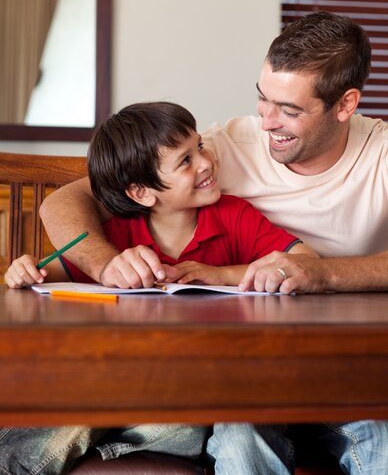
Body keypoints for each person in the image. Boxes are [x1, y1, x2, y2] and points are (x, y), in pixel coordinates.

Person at [35, 11, 388, 474]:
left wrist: (320, 272)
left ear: (345, 105)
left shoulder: (380, 152)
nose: (267, 123)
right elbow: (64, 202)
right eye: (263, 100)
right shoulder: (222, 149)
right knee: (241, 436)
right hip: (248, 368)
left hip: (340, 364)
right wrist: (106, 266)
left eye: (290, 110)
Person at [3, 101, 315, 475]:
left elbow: (306, 261)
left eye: (199, 146)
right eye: (185, 161)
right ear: (141, 193)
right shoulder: (115, 238)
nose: (206, 161)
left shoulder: (234, 216)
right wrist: (22, 271)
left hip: (202, 395)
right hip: (129, 389)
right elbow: (46, 274)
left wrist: (224, 274)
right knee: (71, 416)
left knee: (186, 425)